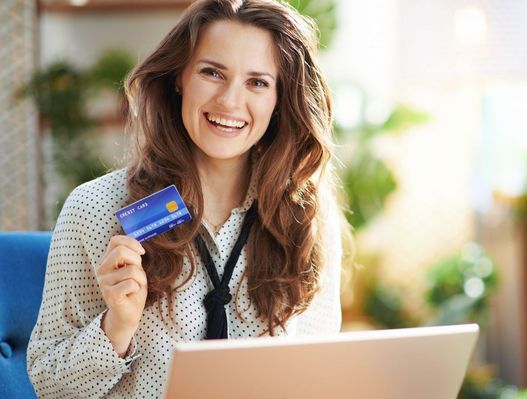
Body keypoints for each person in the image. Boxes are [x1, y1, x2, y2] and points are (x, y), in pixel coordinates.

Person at [27, 0, 348, 397]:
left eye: (257, 82)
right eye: (212, 72)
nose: (230, 101)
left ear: (280, 99)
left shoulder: (304, 217)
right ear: (179, 77)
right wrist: (117, 327)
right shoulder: (95, 208)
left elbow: (317, 376)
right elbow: (49, 386)